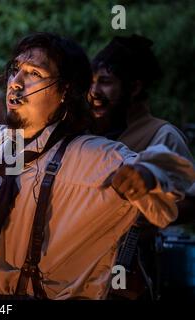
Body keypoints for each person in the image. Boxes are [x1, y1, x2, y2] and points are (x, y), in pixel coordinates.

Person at [0, 32, 195, 299]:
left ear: (65, 92)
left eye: (34, 73)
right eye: (15, 70)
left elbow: (172, 182)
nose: (16, 83)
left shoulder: (92, 157)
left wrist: (149, 174)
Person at [88, 34, 195, 300]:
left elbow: (192, 202)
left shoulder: (163, 135)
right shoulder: (87, 134)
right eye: (91, 82)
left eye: (105, 82)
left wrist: (139, 211)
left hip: (131, 275)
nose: (94, 92)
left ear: (134, 88)